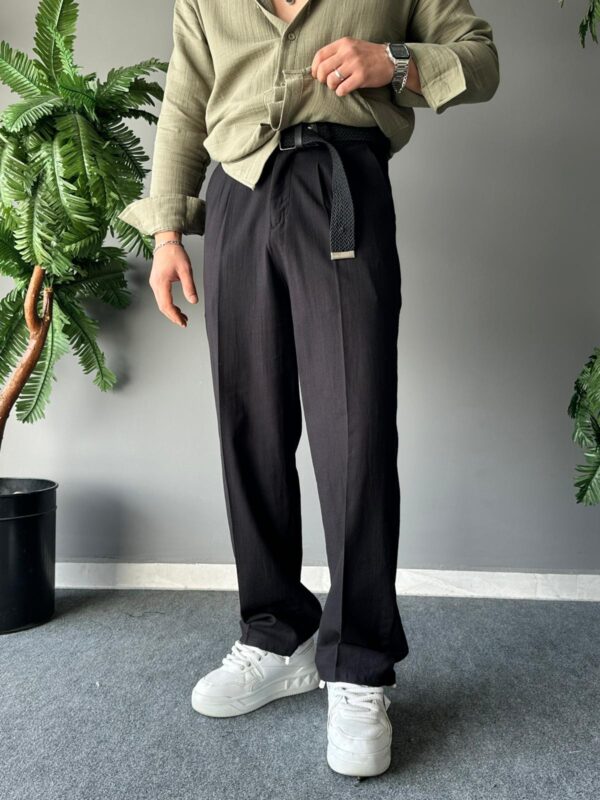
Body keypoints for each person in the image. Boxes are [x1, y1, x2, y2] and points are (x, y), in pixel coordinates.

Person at [118, 0, 500, 779]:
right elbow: (187, 100)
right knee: (249, 422)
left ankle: (359, 665)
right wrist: (166, 232)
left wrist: (395, 62)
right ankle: (275, 632)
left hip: (342, 185)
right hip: (237, 193)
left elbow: (480, 57)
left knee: (354, 429)